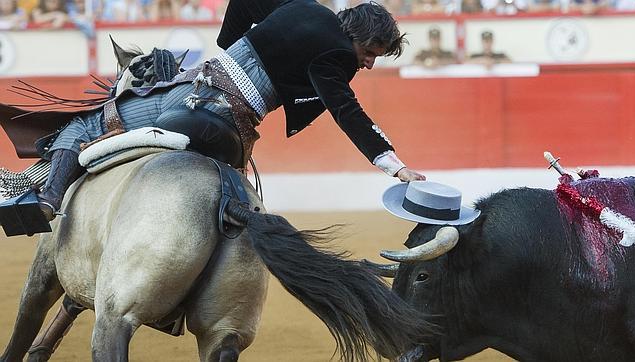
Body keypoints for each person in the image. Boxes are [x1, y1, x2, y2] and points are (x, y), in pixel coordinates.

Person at [1, 0, 425, 234]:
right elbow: (346, 110)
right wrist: (393, 164)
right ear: (357, 35)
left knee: (84, 126)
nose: (367, 63)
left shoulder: (304, 8)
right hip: (235, 130)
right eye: (369, 53)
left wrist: (230, 46)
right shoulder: (337, 53)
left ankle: (46, 200)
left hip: (199, 96)